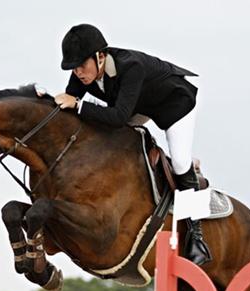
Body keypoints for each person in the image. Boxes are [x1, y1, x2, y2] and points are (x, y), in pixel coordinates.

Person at [54, 23, 212, 266]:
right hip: (138, 105)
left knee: (180, 161)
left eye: (82, 66)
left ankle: (197, 236)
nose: (78, 73)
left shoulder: (131, 67)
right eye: (73, 68)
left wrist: (78, 105)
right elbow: (72, 104)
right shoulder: (83, 72)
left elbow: (116, 117)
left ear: (100, 56)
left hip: (175, 103)